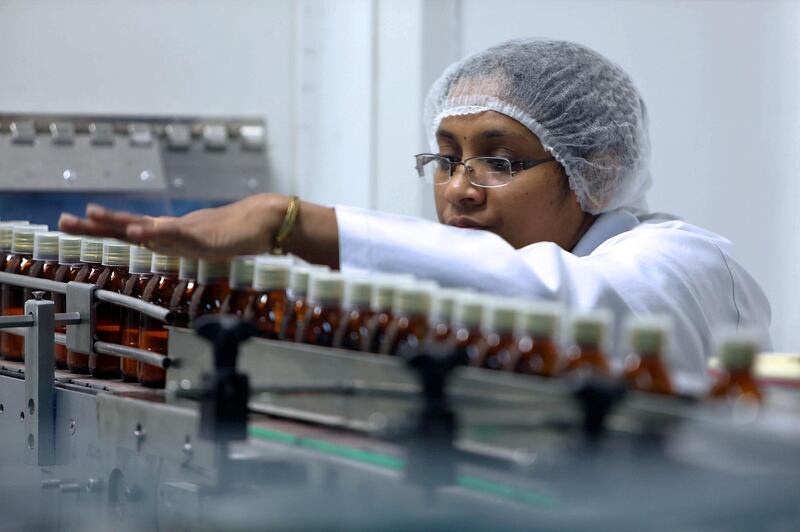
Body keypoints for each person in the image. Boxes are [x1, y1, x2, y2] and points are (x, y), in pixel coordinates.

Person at [59, 38, 771, 391]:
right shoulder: (471, 280)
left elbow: (571, 302)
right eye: (447, 158)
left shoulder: (684, 262)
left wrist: (294, 221)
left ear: (601, 169)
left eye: (499, 160)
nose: (460, 189)